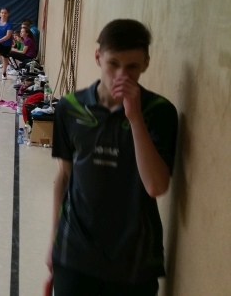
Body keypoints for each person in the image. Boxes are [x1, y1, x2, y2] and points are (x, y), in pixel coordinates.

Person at [47, 19, 177, 296]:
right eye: (113, 64)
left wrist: (135, 117)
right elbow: (64, 176)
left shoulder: (160, 112)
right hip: (74, 254)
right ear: (98, 57)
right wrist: (53, 242)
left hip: (134, 262)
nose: (121, 75)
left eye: (132, 67)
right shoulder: (69, 108)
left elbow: (156, 186)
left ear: (146, 64)